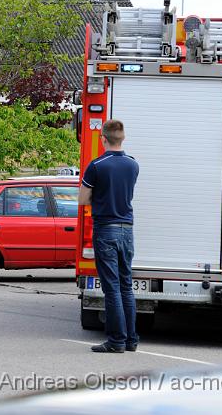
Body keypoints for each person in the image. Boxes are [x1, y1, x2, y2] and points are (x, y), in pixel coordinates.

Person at [78, 119, 140, 354]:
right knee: (126, 285)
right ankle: (131, 339)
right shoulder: (133, 165)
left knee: (111, 288)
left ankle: (116, 341)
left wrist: (101, 198)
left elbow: (83, 199)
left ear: (103, 138)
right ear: (122, 138)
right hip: (127, 229)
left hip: (106, 228)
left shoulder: (96, 166)